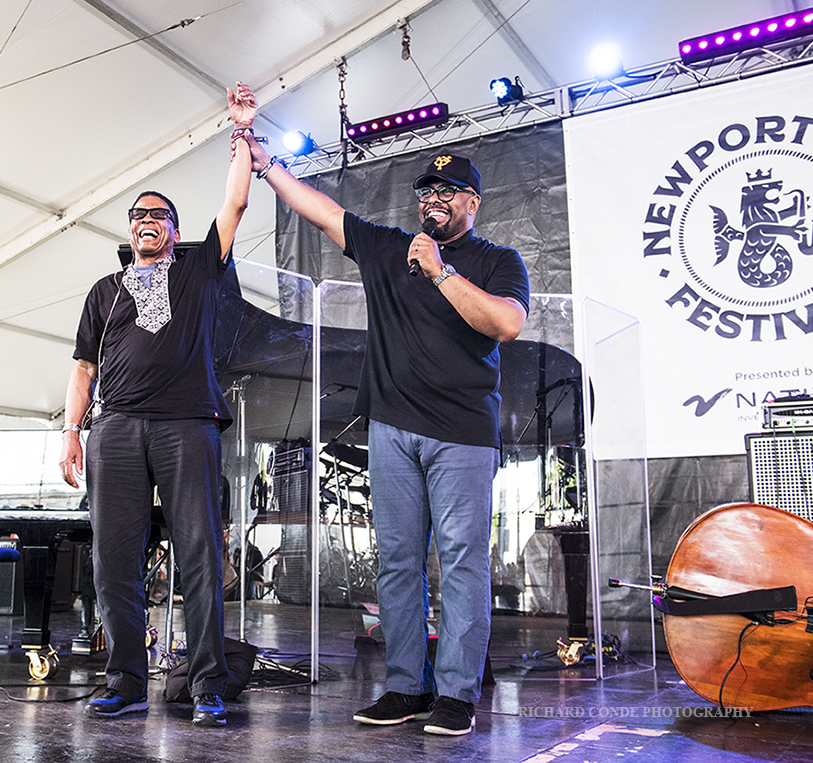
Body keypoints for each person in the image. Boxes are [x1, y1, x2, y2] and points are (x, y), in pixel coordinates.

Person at [243, 137, 529, 736]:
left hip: (463, 434)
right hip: (393, 428)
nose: (434, 201)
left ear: (472, 202)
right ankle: (404, 686)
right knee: (398, 563)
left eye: (447, 193)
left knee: (461, 564)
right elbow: (319, 209)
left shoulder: (497, 262)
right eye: (427, 192)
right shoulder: (388, 248)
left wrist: (440, 271)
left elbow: (504, 324)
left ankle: (455, 693)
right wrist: (266, 163)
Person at [58, 82, 258, 729]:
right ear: (130, 230)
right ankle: (126, 680)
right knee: (112, 558)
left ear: (173, 230)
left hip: (185, 423)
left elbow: (234, 201)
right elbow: (83, 366)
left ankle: (207, 684)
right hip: (114, 428)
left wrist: (242, 136)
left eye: (160, 215)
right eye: (139, 215)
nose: (148, 221)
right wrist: (70, 430)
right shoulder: (103, 292)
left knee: (198, 555)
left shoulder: (199, 270)